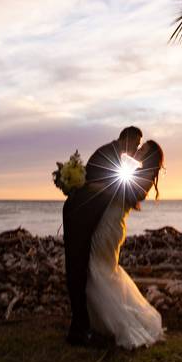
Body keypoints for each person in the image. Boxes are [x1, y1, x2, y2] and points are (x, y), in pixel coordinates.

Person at [62, 126, 143, 346]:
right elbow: (97, 187)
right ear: (125, 139)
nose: (136, 149)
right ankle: (80, 330)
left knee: (82, 269)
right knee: (77, 270)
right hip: (79, 215)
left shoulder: (118, 156)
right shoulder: (108, 154)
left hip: (85, 215)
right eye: (135, 144)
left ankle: (82, 326)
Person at [85, 140, 165, 349]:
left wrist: (89, 185)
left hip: (109, 226)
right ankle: (103, 323)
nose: (138, 150)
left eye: (142, 149)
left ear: (148, 156)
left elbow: (112, 189)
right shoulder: (139, 174)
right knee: (104, 270)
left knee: (95, 268)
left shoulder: (140, 178)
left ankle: (117, 324)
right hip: (111, 224)